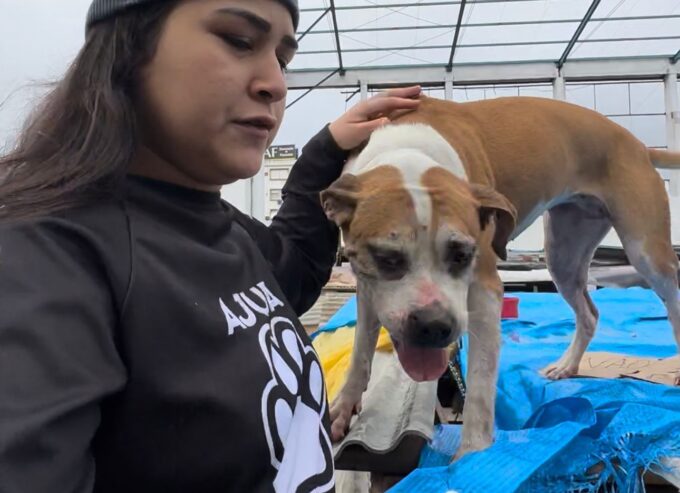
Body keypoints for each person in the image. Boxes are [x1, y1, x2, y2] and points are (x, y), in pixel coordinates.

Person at [0, 0, 421, 491]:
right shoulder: (48, 257)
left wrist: (325, 150)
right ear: (129, 49)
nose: (276, 84)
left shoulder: (219, 226)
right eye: (239, 40)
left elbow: (298, 270)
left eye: (283, 59)